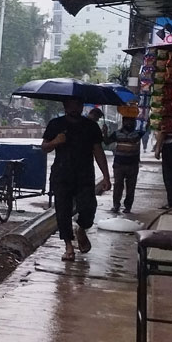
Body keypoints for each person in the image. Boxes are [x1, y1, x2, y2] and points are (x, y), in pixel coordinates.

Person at [42, 97, 111, 262]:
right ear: (65, 106)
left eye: (77, 105)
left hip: (85, 175)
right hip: (61, 174)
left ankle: (82, 229)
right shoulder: (55, 124)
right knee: (63, 211)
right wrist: (55, 141)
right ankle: (68, 246)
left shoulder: (90, 127)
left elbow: (98, 151)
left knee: (88, 207)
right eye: (71, 105)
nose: (74, 108)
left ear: (82, 107)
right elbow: (44, 147)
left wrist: (106, 176)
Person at [105, 114, 143, 214]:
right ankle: (116, 205)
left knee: (131, 187)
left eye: (131, 121)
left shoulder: (138, 134)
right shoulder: (116, 134)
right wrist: (104, 132)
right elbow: (107, 142)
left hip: (133, 165)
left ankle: (128, 206)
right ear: (123, 122)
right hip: (119, 165)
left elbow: (147, 127)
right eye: (127, 121)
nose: (129, 123)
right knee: (118, 185)